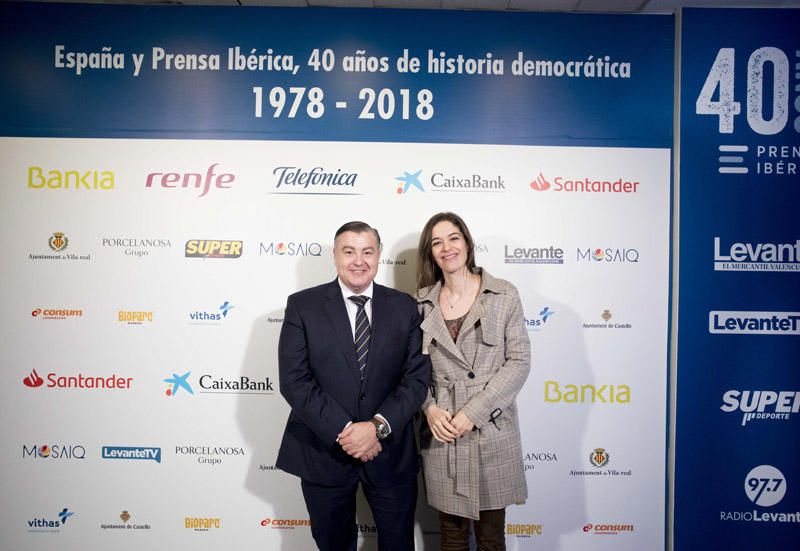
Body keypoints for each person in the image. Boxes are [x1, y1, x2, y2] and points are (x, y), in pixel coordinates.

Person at [276, 221, 431, 551]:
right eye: (349, 251)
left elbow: (416, 378)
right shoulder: (303, 305)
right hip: (324, 451)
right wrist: (347, 430)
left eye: (367, 252)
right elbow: (294, 380)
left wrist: (376, 428)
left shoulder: (405, 307)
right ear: (335, 256)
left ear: (378, 257)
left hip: (390, 451)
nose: (358, 261)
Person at [415, 212, 530, 551]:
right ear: (430, 253)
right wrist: (430, 409)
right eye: (437, 242)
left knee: (491, 537)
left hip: (492, 432)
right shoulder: (420, 303)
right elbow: (411, 372)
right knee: (451, 536)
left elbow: (519, 363)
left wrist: (473, 413)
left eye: (453, 238)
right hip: (443, 433)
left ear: (467, 242)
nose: (446, 247)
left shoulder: (504, 294)